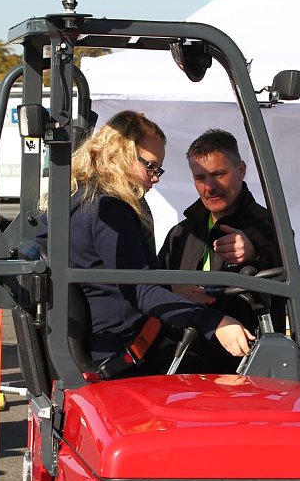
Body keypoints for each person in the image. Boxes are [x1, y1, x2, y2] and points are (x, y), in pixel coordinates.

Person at [38, 111, 253, 377]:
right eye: (150, 166)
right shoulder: (110, 212)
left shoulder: (76, 201)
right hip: (121, 357)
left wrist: (171, 289)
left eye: (158, 169)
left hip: (97, 345)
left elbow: (114, 279)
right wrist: (216, 323)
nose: (156, 177)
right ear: (120, 154)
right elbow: (140, 291)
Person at [158, 129, 285, 372]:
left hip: (244, 370)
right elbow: (151, 290)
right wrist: (176, 292)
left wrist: (255, 255)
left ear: (241, 170)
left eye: (219, 174)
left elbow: (288, 283)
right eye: (200, 178)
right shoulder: (180, 234)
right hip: (179, 366)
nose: (209, 187)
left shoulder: (271, 228)